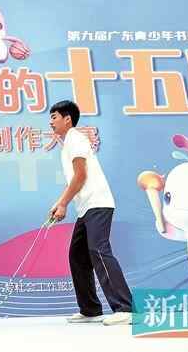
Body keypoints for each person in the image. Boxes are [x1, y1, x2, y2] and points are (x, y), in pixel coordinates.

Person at [48, 100, 133, 326]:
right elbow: (75, 180)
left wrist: (63, 204)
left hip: (97, 203)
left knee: (99, 250)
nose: (51, 122)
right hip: (85, 208)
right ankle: (90, 310)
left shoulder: (75, 138)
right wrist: (60, 202)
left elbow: (81, 176)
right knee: (77, 256)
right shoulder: (67, 144)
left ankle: (125, 308)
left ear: (68, 119)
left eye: (54, 117)